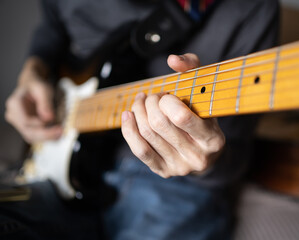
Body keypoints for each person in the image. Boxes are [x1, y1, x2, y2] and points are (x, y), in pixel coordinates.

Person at [2, 0, 279, 239]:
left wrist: (206, 161)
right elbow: (53, 23)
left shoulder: (252, 7)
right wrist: (32, 69)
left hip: (174, 184)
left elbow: (235, 154)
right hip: (55, 155)